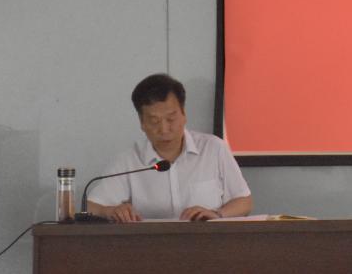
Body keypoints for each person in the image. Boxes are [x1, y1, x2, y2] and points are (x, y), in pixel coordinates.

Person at [86, 73, 252, 222]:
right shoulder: (129, 161)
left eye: (171, 119)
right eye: (154, 121)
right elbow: (90, 206)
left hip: (208, 242)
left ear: (184, 114)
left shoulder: (214, 149)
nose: (164, 129)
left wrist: (217, 214)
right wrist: (111, 211)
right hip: (151, 245)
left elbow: (244, 201)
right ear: (142, 123)